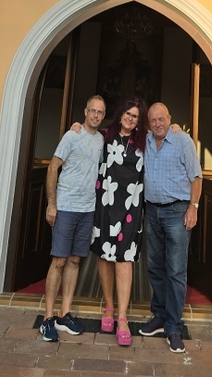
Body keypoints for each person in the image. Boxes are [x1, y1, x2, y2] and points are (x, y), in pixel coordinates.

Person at [39, 95, 107, 343]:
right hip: (66, 206)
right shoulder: (71, 136)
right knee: (59, 260)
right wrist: (52, 204)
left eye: (100, 112)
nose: (96, 115)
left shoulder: (101, 140)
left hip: (87, 209)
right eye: (92, 111)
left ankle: (64, 314)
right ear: (85, 112)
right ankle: (47, 318)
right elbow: (52, 167)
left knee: (75, 260)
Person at [138, 102, 202, 354]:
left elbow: (196, 177)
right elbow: (118, 131)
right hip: (152, 211)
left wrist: (193, 207)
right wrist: (81, 126)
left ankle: (174, 326)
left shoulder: (182, 140)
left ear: (170, 118)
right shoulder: (144, 140)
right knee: (155, 266)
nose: (158, 124)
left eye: (161, 119)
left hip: (177, 211)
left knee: (176, 271)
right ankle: (160, 315)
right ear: (149, 123)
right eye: (153, 120)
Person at [91, 96, 148, 347]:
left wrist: (176, 128)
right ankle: (109, 307)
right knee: (105, 255)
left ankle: (123, 317)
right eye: (128, 113)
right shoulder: (104, 136)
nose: (130, 118)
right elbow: (86, 133)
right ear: (121, 113)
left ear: (139, 121)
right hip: (105, 203)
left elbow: (165, 134)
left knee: (124, 259)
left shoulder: (145, 141)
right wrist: (77, 126)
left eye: (135, 116)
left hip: (131, 207)